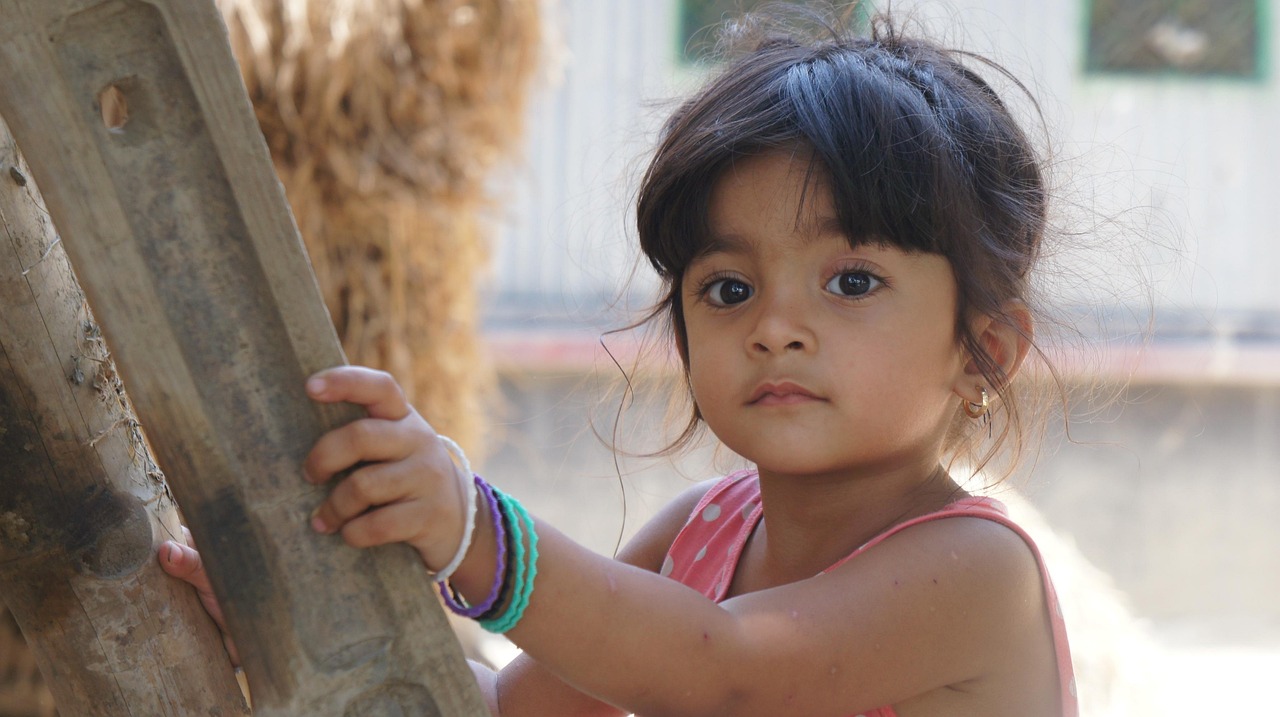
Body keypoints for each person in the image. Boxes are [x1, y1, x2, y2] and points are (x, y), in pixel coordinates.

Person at [160, 9, 1080, 716]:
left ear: (984, 351)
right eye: (728, 289)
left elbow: (724, 669)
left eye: (850, 280)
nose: (775, 327)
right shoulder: (703, 533)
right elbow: (508, 711)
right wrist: (304, 616)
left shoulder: (976, 571)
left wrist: (473, 530)